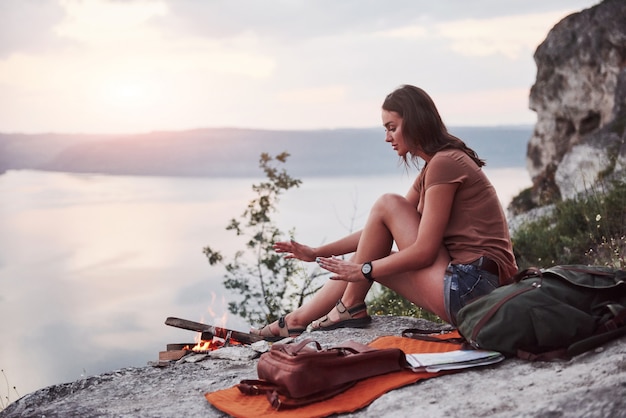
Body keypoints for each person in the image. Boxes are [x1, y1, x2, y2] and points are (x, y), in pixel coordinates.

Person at [251, 84, 518, 339]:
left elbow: (424, 251)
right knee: (373, 240)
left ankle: (348, 308)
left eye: (392, 128)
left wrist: (365, 270)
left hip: (472, 291)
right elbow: (377, 229)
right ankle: (301, 320)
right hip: (472, 292)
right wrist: (316, 253)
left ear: (414, 123)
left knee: (387, 205)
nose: (387, 137)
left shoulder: (445, 163)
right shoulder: (435, 166)